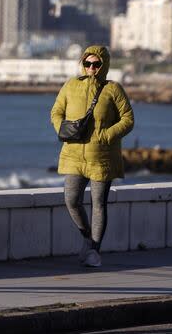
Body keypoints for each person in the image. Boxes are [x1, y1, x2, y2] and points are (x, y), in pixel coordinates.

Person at [51, 45, 134, 268]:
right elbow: (56, 111)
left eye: (96, 64)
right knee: (71, 200)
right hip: (74, 154)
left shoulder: (113, 89)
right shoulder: (71, 85)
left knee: (99, 204)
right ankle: (88, 239)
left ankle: (94, 251)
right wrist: (64, 129)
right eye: (87, 64)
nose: (91, 68)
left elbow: (128, 119)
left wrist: (106, 135)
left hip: (102, 157)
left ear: (104, 65)